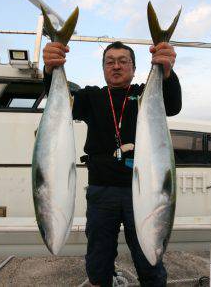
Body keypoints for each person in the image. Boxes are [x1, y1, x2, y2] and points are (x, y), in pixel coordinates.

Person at [43, 40, 181, 287]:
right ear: (104, 68)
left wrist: (167, 72)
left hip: (141, 192)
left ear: (134, 67)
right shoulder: (91, 97)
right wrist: (50, 70)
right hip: (101, 191)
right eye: (110, 62)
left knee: (148, 256)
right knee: (98, 257)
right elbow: (61, 104)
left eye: (123, 61)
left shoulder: (144, 94)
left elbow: (172, 105)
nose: (116, 66)